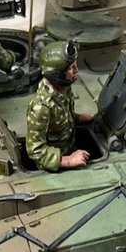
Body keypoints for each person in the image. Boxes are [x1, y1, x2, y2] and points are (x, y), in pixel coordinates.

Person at [25, 40, 94, 171]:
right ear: (57, 74)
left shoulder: (63, 88)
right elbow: (35, 150)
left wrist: (75, 118)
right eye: (71, 68)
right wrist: (67, 160)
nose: (76, 70)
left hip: (68, 147)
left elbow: (60, 114)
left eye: (75, 65)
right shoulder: (41, 108)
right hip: (52, 164)